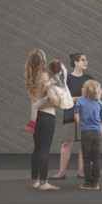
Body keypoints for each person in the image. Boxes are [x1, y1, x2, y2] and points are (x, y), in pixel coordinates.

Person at [53, 52, 102, 181]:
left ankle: (82, 173)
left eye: (86, 60)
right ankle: (61, 173)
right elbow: (62, 97)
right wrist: (80, 99)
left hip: (86, 118)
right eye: (83, 60)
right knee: (66, 144)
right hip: (70, 115)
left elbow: (98, 96)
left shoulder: (89, 78)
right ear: (76, 63)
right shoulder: (68, 78)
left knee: (84, 145)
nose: (86, 62)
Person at [26, 50, 71, 191]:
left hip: (36, 116)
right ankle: (44, 183)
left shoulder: (29, 78)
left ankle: (35, 181)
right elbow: (56, 100)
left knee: (37, 149)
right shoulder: (46, 77)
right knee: (45, 149)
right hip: (47, 116)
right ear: (43, 63)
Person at [73, 80, 102, 190]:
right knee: (96, 158)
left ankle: (87, 183)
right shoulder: (99, 102)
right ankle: (96, 183)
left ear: (87, 90)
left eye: (83, 87)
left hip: (86, 132)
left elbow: (76, 114)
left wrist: (80, 125)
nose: (81, 89)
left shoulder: (80, 101)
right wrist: (100, 127)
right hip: (97, 132)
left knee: (87, 159)